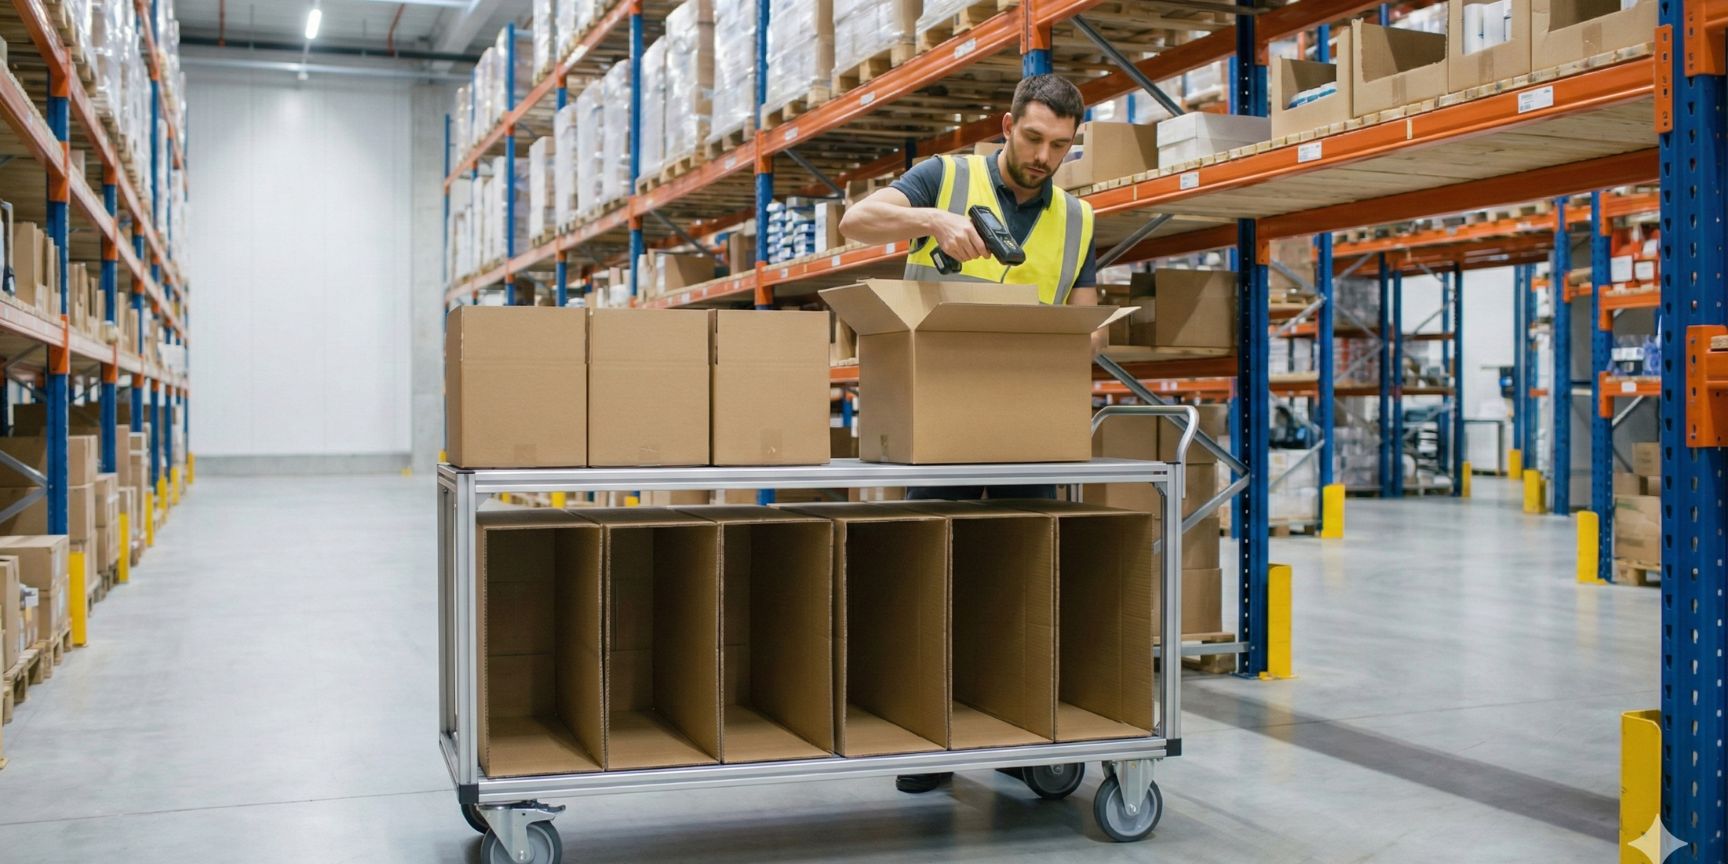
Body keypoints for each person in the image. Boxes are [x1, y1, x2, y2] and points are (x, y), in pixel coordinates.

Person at [837, 72, 1099, 795]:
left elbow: (1082, 321)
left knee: (1020, 581)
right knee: (929, 575)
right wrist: (932, 223)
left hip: (1025, 425)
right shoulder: (945, 178)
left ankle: (1019, 731)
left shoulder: (1077, 220)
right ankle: (929, 737)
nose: (1043, 155)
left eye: (1060, 146)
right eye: (1034, 137)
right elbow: (854, 222)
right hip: (939, 419)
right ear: (1007, 123)